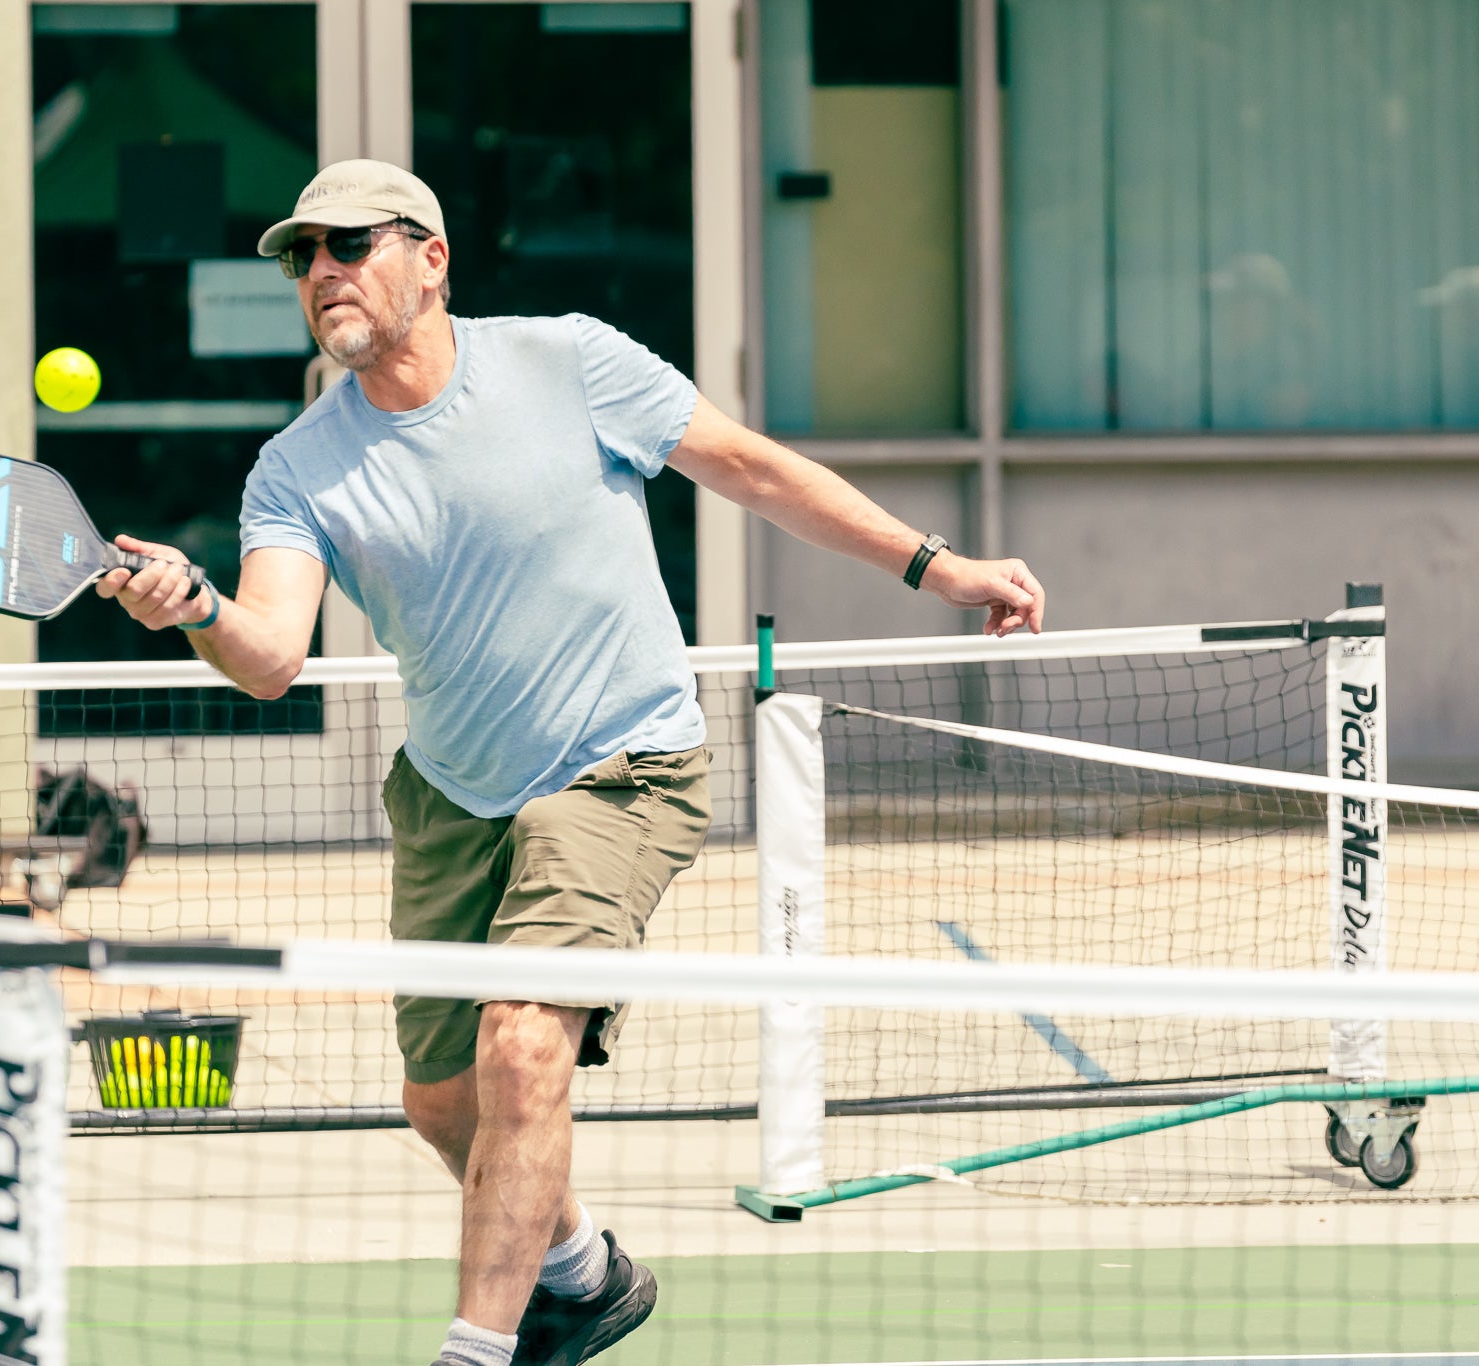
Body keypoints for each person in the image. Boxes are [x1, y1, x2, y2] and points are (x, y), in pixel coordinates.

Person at [100, 160, 1046, 1366]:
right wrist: (193, 609)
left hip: (620, 765)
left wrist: (938, 567)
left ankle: (474, 1352)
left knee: (522, 1046)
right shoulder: (297, 468)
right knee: (445, 1103)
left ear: (430, 258)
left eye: (350, 244)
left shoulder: (569, 361)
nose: (323, 271)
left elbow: (751, 467)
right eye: (303, 255)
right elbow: (273, 654)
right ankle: (582, 1272)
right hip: (452, 793)